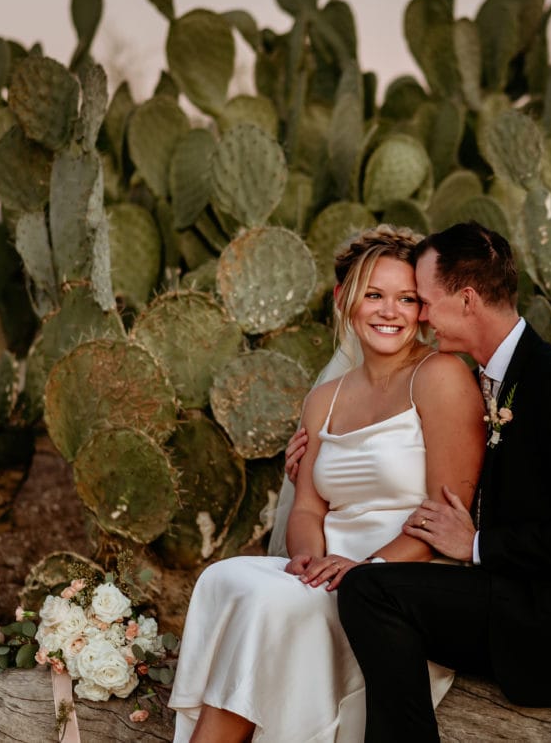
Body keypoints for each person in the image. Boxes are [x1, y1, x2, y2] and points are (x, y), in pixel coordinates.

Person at [288, 221, 551, 742]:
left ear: (468, 299)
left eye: (424, 301)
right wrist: (316, 465)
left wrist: (477, 544)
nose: (420, 318)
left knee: (369, 590)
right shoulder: (491, 375)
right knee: (371, 591)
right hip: (497, 590)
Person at [168, 225, 486, 742]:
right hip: (328, 567)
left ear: (423, 310)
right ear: (347, 301)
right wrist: (308, 560)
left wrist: (366, 570)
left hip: (398, 579)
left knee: (268, 605)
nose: (390, 311)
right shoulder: (325, 399)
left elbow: (445, 512)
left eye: (407, 298)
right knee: (225, 579)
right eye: (375, 295)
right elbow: (309, 508)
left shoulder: (440, 376)